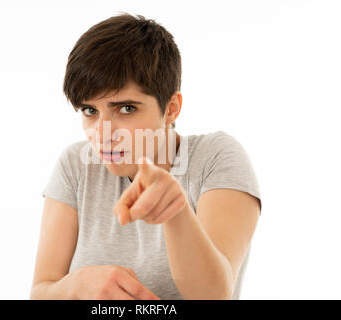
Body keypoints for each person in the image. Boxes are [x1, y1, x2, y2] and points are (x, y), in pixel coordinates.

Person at [30, 12, 262, 300]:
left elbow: (215, 296)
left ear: (172, 108)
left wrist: (176, 214)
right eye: (90, 111)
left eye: (126, 108)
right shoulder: (75, 165)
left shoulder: (216, 158)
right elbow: (41, 292)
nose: (102, 133)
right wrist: (77, 285)